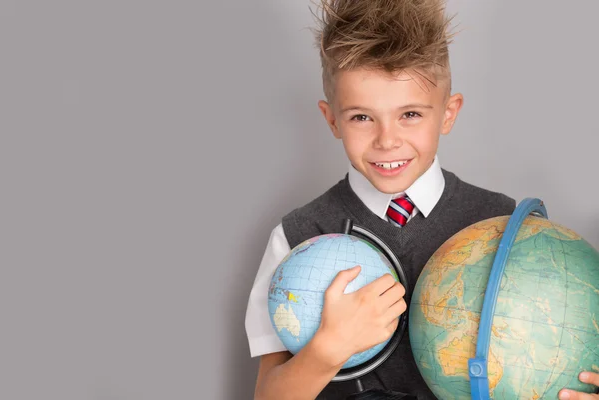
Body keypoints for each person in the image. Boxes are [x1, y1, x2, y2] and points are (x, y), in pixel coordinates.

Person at [244, 1, 599, 399]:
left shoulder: (506, 225)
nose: (387, 139)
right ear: (332, 120)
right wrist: (329, 348)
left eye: (410, 114)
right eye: (362, 117)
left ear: (448, 113)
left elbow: (568, 339)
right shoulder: (297, 236)